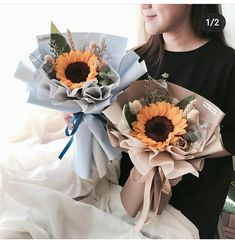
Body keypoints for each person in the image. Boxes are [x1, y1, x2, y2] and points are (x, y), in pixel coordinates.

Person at [119, 4, 235, 239]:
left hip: (189, 219)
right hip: (123, 207)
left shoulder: (228, 65)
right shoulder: (131, 62)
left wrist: (183, 150)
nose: (145, 5)